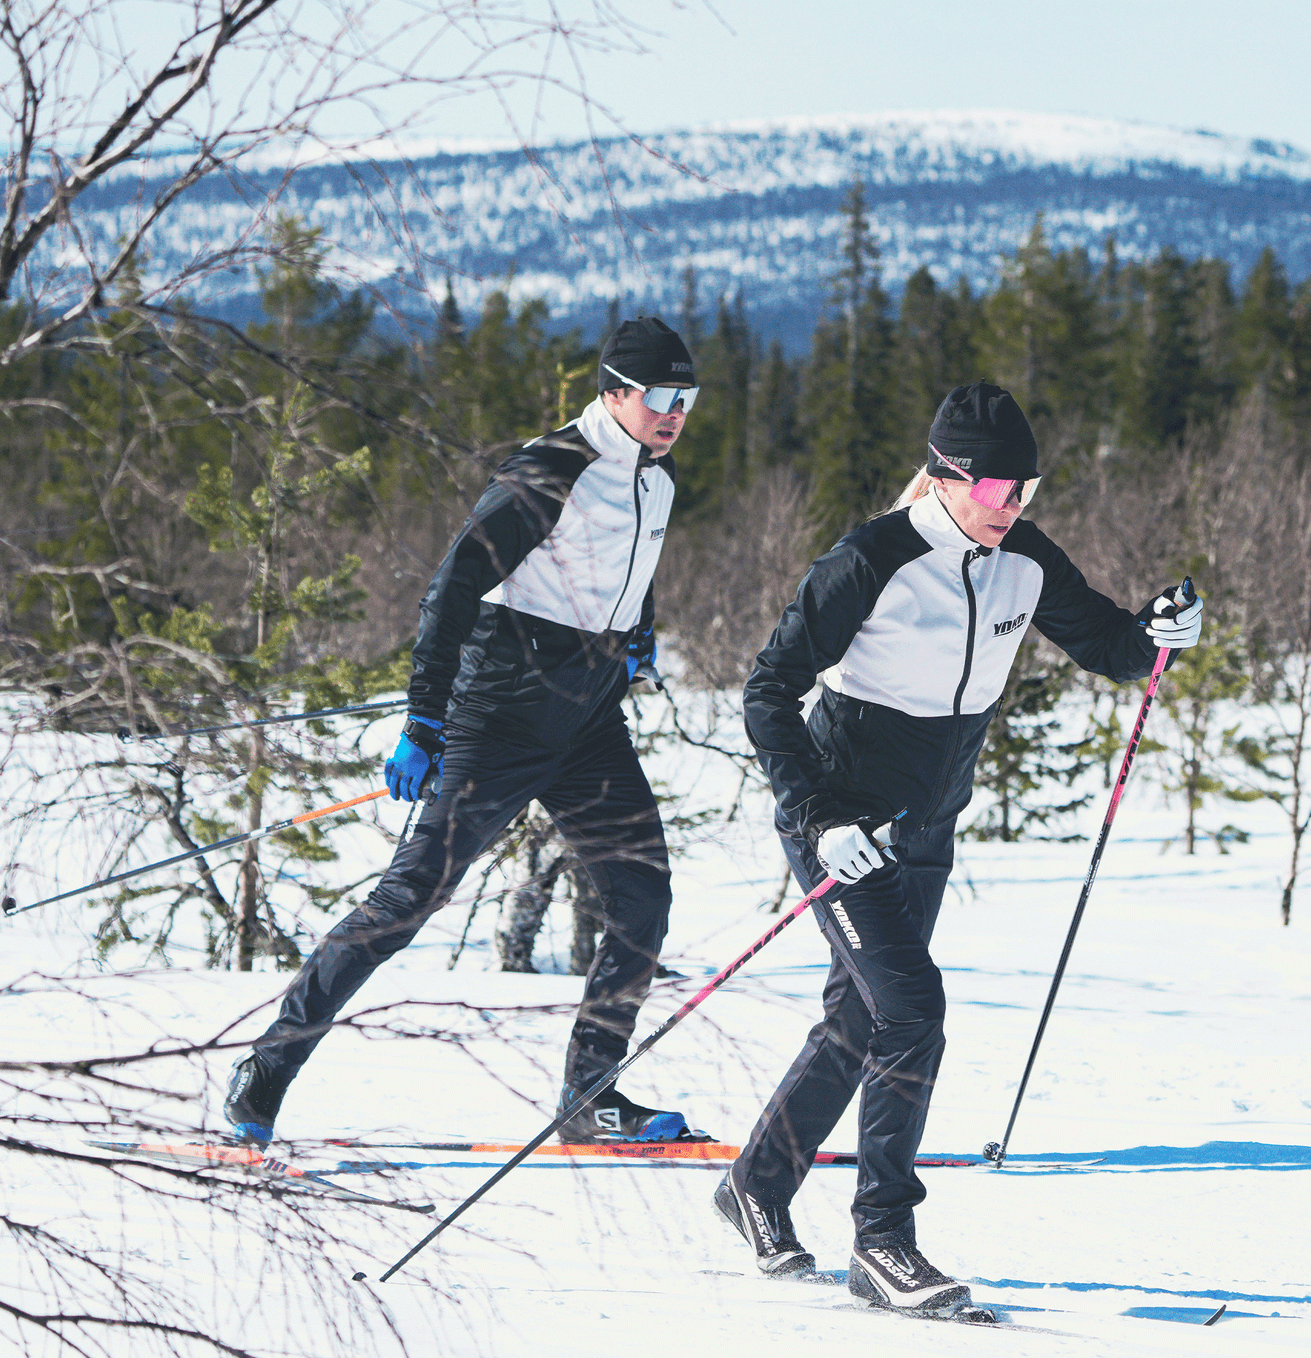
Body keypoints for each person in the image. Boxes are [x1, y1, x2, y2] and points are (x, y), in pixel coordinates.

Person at [713, 382, 1202, 1316]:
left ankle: (754, 1187)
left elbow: (1108, 643)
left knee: (860, 1022)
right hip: (842, 825)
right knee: (912, 1010)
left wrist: (1158, 637)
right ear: (945, 478)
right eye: (1000, 489)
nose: (1016, 506)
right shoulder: (871, 557)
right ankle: (883, 1241)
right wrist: (817, 815)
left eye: (1029, 488)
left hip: (926, 827)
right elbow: (768, 689)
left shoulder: (1023, 554)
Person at [225, 316, 709, 1146]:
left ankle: (590, 1096)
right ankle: (267, 1066)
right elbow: (451, 592)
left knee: (641, 895)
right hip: (504, 710)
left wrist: (636, 636)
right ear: (615, 392)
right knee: (409, 899)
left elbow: (630, 572)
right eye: (662, 397)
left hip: (587, 719)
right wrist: (424, 718)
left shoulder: (655, 481)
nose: (675, 414)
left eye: (687, 400)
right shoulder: (549, 470)